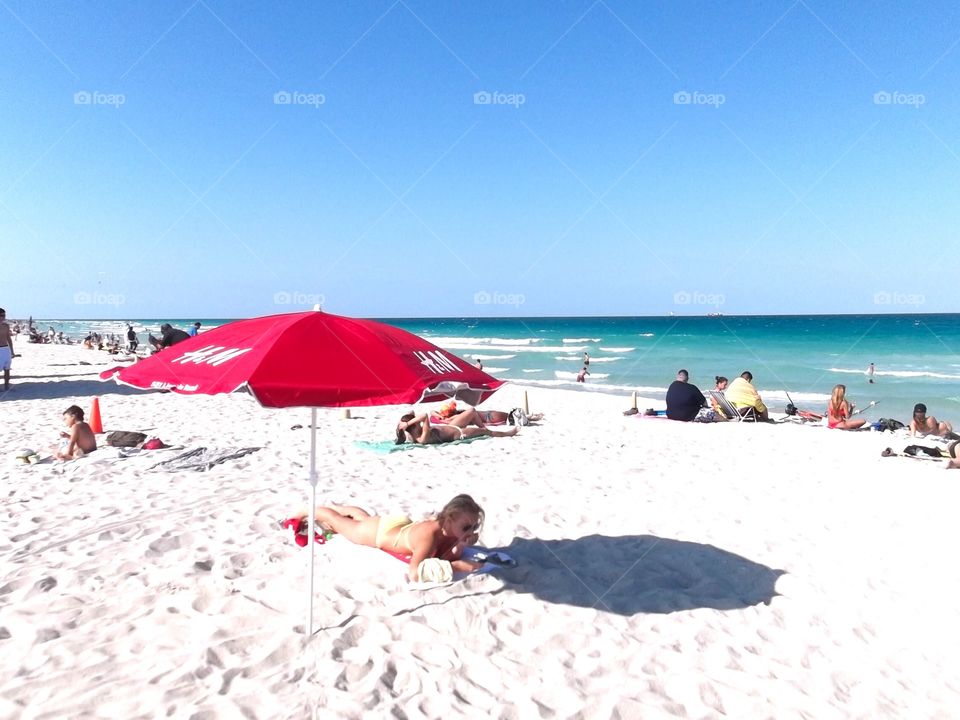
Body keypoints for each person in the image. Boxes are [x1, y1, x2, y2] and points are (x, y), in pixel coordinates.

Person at [307, 494, 485, 582]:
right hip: (380, 533)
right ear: (450, 519)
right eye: (466, 527)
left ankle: (341, 507)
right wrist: (456, 566)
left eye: (474, 526)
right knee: (336, 521)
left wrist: (460, 546)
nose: (471, 531)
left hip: (401, 527)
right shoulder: (428, 536)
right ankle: (305, 510)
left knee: (362, 519)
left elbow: (443, 555)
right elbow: (415, 573)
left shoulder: (452, 531)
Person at [396, 410, 518, 445]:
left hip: (451, 426)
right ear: (413, 426)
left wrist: (402, 425)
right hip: (459, 433)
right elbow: (424, 415)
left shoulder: (413, 432)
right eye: (416, 423)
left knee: (471, 411)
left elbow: (411, 411)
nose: (419, 423)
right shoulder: (422, 437)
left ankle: (482, 424)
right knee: (486, 432)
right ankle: (508, 434)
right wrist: (406, 424)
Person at [434, 401, 543, 425]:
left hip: (490, 418)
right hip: (490, 414)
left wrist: (441, 417)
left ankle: (532, 418)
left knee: (513, 419)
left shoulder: (458, 416)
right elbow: (432, 413)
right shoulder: (461, 412)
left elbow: (432, 414)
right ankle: (532, 417)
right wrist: (439, 416)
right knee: (512, 417)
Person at [0, 308, 14, 391]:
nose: (3, 317)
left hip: (6, 349)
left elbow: (8, 338)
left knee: (7, 368)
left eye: (4, 315)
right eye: (1, 315)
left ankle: (6, 386)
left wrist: (12, 351)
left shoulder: (6, 326)